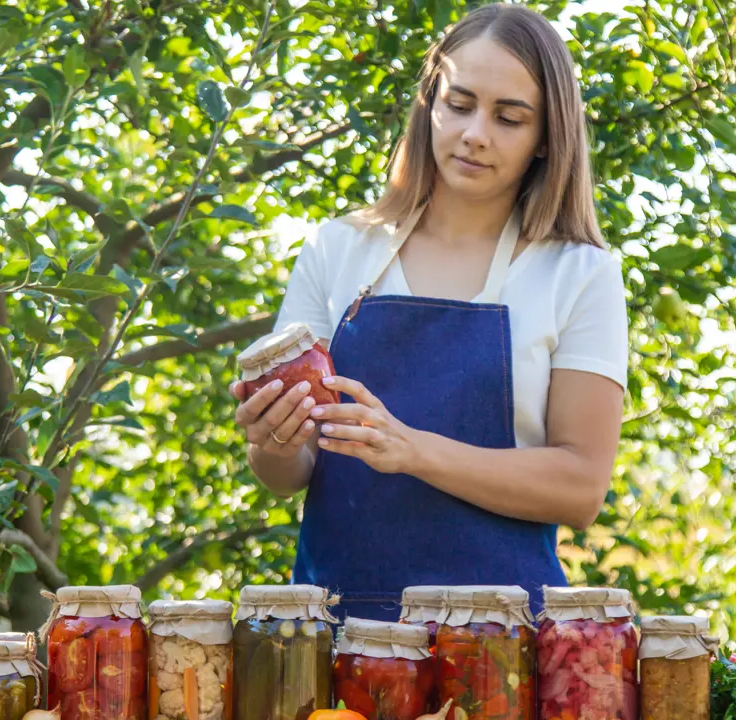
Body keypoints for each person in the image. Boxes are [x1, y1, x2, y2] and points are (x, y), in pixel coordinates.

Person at [229, 3, 628, 621]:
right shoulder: (338, 249)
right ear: (428, 105)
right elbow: (291, 471)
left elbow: (580, 487)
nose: (476, 133)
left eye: (509, 117)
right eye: (459, 104)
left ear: (547, 136)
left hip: (501, 646)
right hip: (338, 635)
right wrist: (272, 440)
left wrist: (413, 451)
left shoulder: (578, 274)